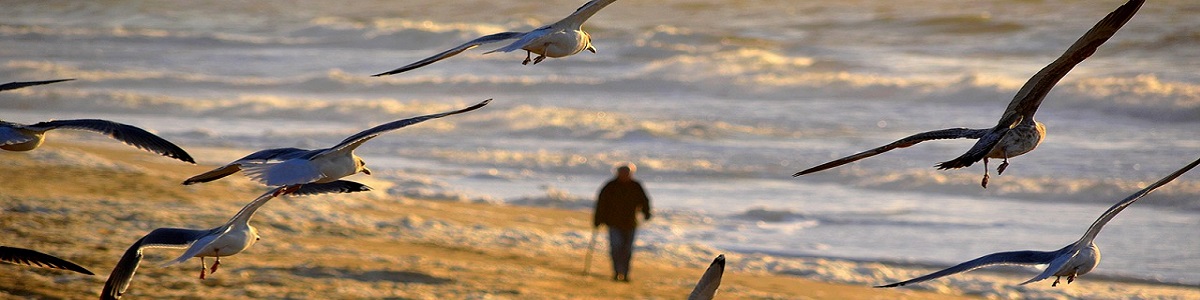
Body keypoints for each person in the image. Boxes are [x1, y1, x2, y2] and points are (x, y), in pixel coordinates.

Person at [592, 163, 652, 282]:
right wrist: (598, 219)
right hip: (614, 223)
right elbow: (601, 204)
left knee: (627, 249)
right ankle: (617, 272)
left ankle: (625, 273)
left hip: (630, 223)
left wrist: (647, 213)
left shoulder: (636, 186)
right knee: (616, 247)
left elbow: (644, 201)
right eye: (622, 173)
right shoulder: (610, 186)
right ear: (617, 173)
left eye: (627, 173)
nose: (625, 175)